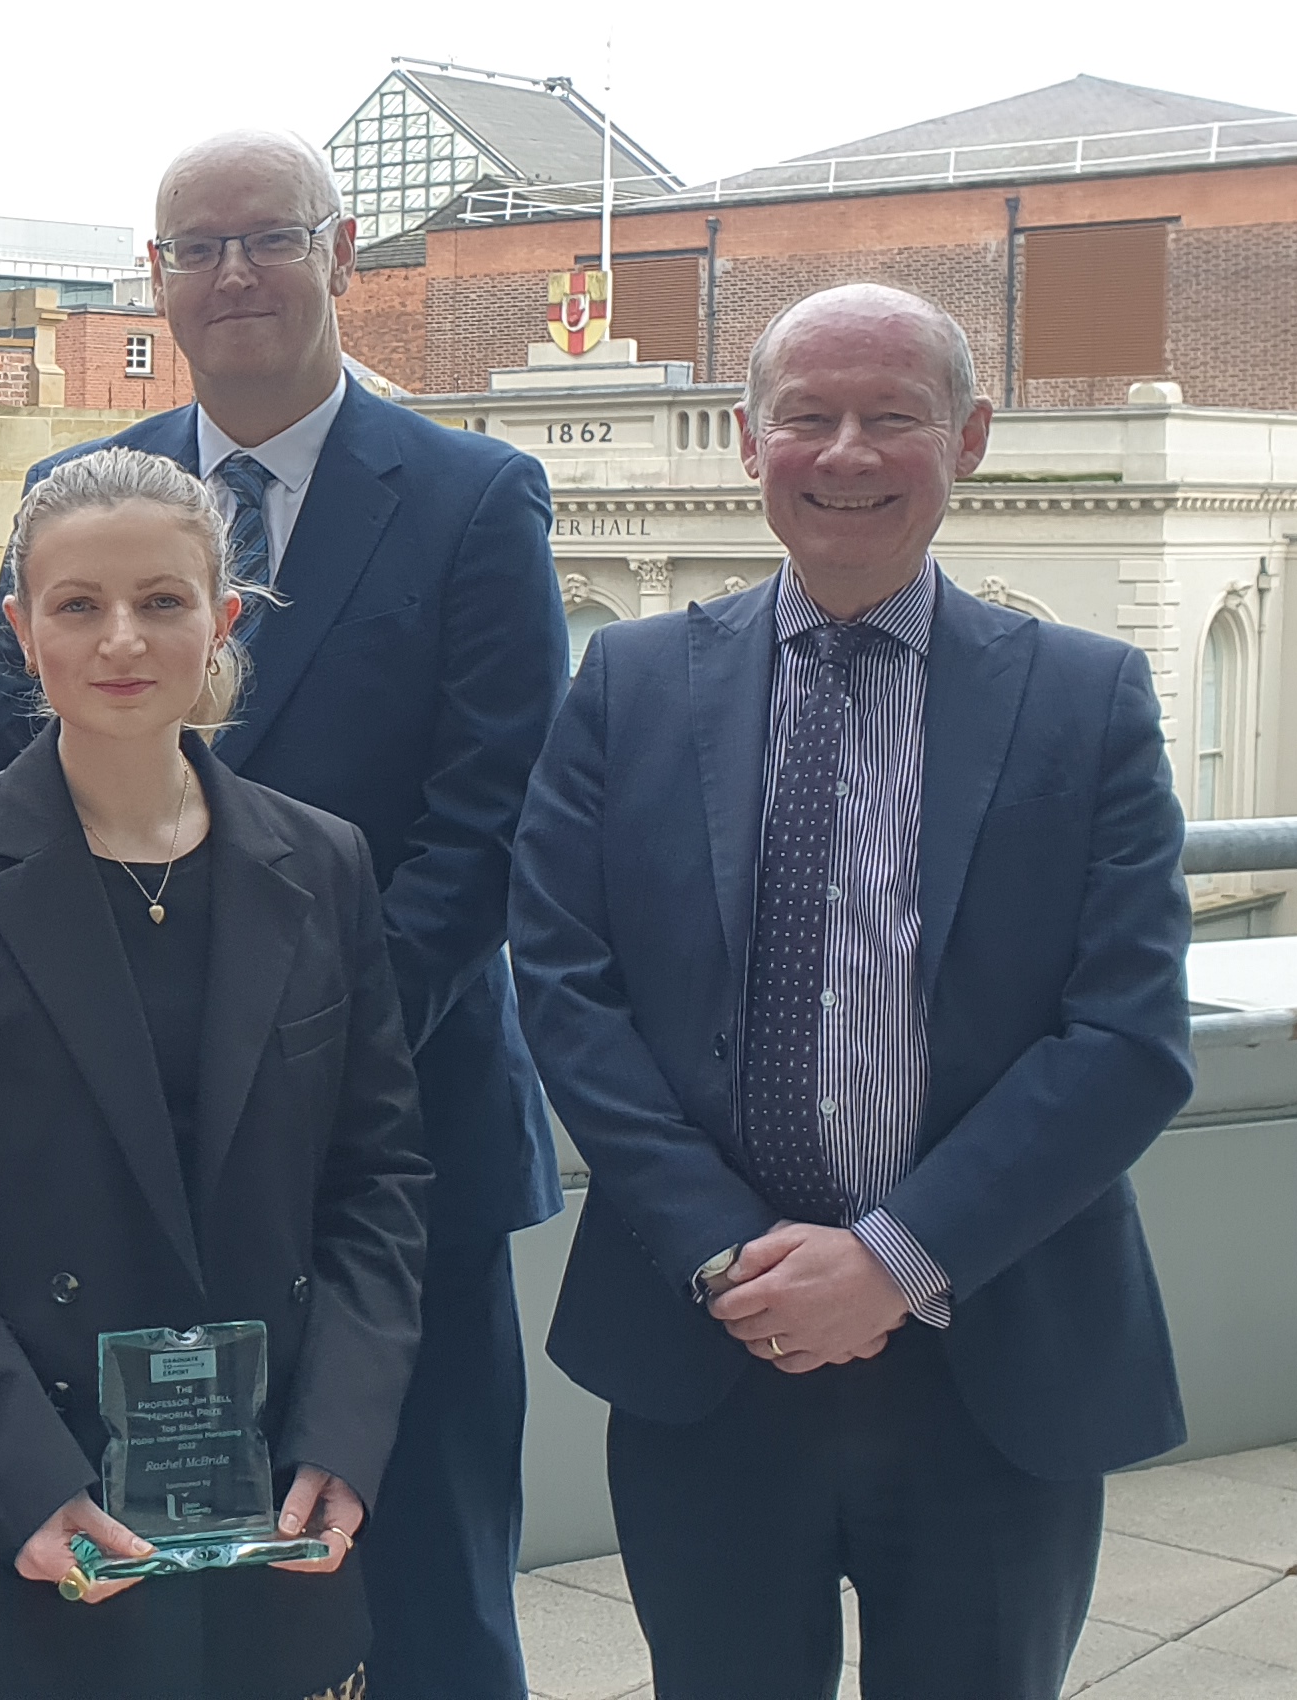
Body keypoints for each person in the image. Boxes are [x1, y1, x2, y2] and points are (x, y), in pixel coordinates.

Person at [510, 284, 1191, 1697]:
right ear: (750, 437)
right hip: (710, 1343)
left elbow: (1125, 1036)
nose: (847, 455)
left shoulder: (1088, 699)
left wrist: (893, 1260)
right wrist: (728, 1253)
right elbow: (567, 985)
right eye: (808, 418)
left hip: (989, 1354)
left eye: (894, 417)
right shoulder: (629, 684)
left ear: (971, 438)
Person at [0, 129, 563, 1697]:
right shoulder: (74, 495)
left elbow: (486, 829)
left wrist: (294, 1058)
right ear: (155, 279)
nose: (233, 274)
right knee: (170, 1607)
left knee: (422, 1585)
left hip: (390, 1149)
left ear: (343, 250)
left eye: (268, 238)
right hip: (122, 1160)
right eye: (196, 247)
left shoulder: (476, 499)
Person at [0, 447, 432, 1700]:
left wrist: (343, 1435)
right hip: (15, 1512)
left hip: (271, 1508)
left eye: (162, 600)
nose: (122, 639)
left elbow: (381, 1180)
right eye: (78, 605)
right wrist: (22, 1471)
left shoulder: (323, 864)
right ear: (21, 632)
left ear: (224, 620)